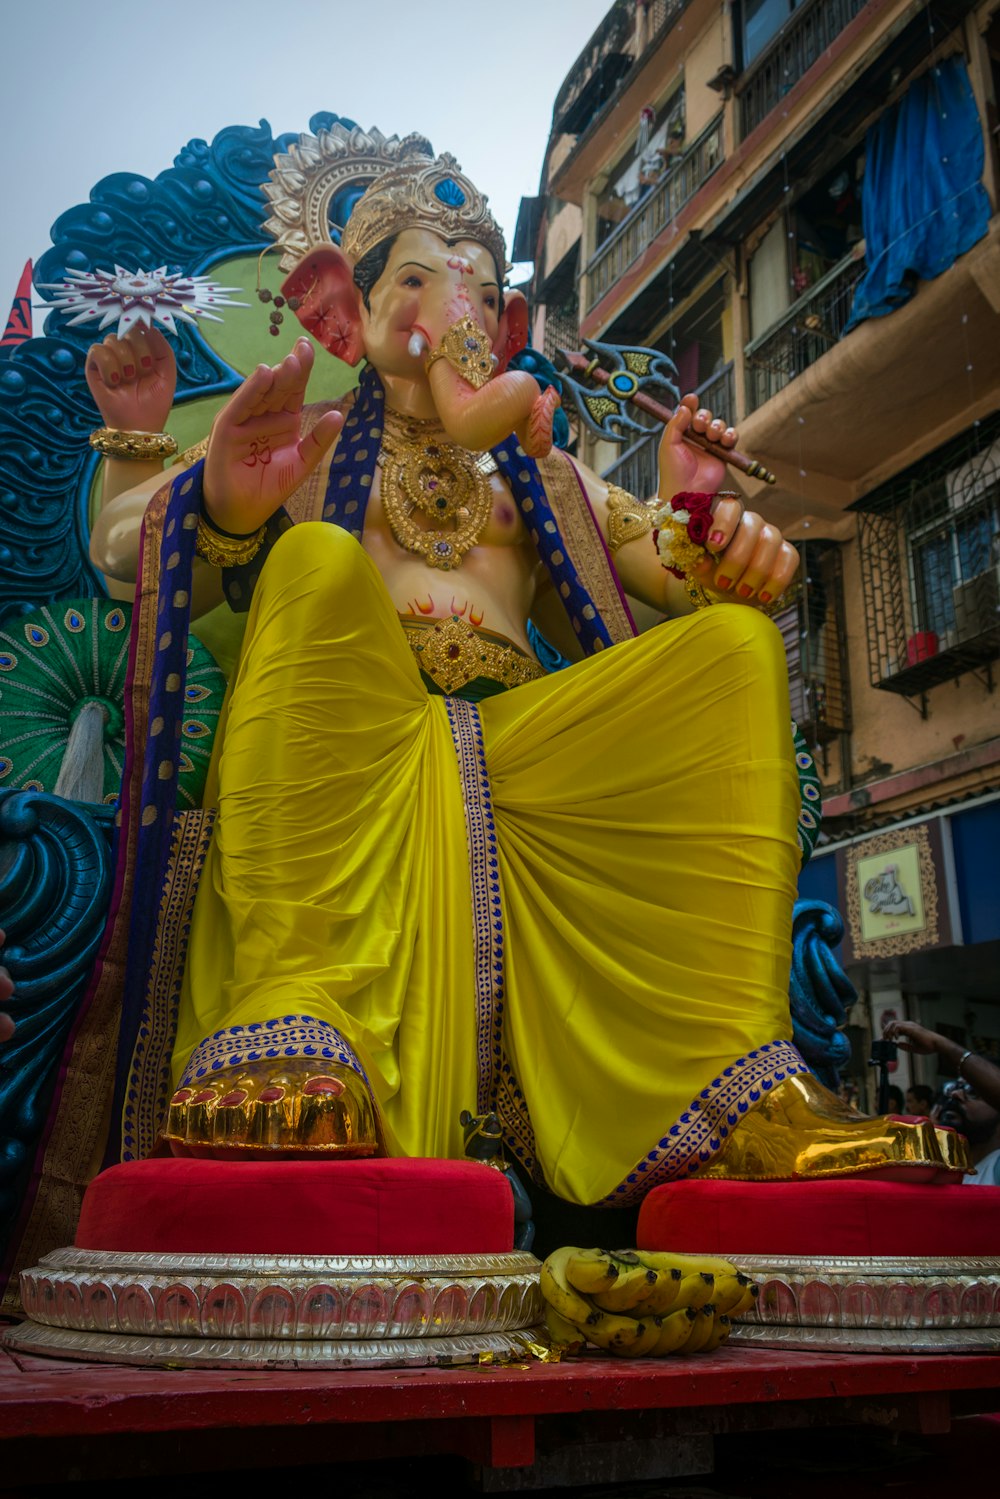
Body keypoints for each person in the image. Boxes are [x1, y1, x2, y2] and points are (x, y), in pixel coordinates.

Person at [84, 137, 963, 1202]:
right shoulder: (301, 447)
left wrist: (723, 533)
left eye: (473, 284)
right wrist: (221, 493)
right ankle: (295, 1013)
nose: (449, 306)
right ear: (340, 316)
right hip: (352, 752)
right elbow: (127, 544)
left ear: (501, 326)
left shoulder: (541, 481)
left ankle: (735, 1077)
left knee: (734, 650)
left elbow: (679, 574)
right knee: (313, 559)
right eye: (416, 279)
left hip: (524, 759)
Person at [884, 1018, 1000, 1184]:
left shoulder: (995, 1167)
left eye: (973, 1093)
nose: (956, 1095)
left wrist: (940, 1044)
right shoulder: (936, 1173)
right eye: (954, 1088)